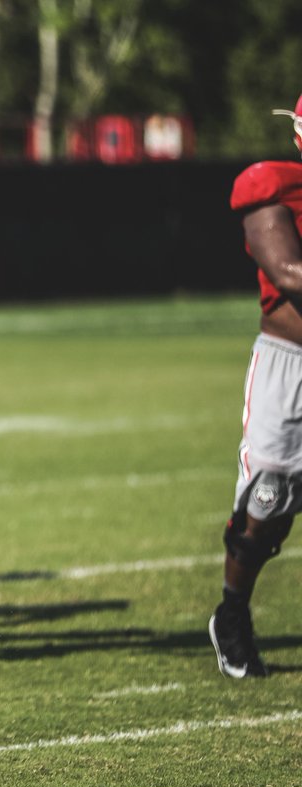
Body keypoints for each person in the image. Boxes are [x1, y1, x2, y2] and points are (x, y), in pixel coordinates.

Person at [207, 93, 302, 679]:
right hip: (291, 366)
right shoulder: (273, 186)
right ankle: (233, 611)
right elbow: (288, 271)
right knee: (266, 506)